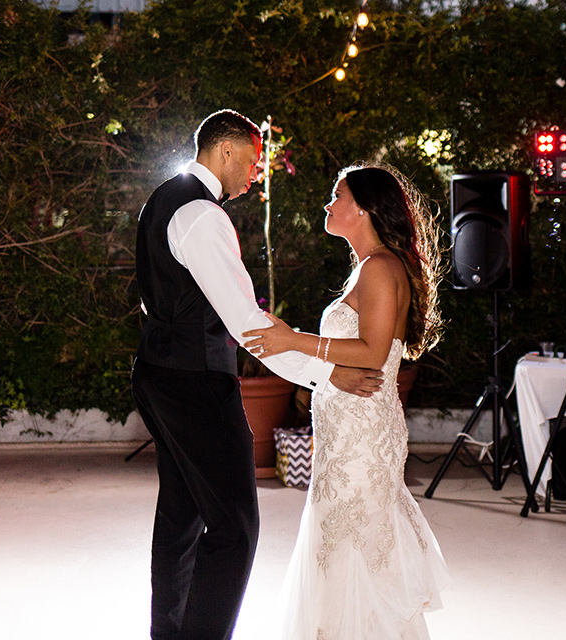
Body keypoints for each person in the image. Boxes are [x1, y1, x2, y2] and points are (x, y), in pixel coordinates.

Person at [131, 110, 382, 640]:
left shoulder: (161, 199)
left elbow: (162, 298)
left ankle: (168, 633)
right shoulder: (202, 215)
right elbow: (249, 326)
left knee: (180, 515)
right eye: (249, 162)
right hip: (195, 385)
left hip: (158, 373)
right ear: (225, 152)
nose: (252, 176)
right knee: (236, 528)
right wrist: (327, 373)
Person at [242, 164, 451, 639]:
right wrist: (299, 345)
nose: (328, 203)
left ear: (363, 208)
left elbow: (374, 353)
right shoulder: (369, 266)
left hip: (362, 438)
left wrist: (295, 340)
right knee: (339, 545)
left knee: (357, 550)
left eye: (336, 195)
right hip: (347, 435)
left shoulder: (379, 267)